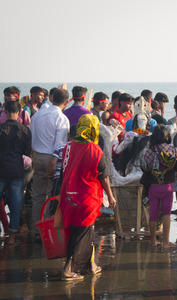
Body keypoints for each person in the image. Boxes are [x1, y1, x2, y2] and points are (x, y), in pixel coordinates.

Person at [60, 114, 116, 281]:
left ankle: (91, 266)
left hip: (68, 196)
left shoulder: (68, 147)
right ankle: (68, 270)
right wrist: (111, 197)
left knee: (80, 232)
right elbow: (103, 176)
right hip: (87, 198)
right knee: (82, 234)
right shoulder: (95, 150)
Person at [30, 88, 70, 242]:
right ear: (66, 102)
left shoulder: (38, 114)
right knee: (51, 195)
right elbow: (59, 147)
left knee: (38, 196)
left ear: (52, 98)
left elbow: (32, 137)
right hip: (51, 159)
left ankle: (36, 230)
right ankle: (46, 231)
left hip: (37, 156)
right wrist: (53, 165)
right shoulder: (61, 118)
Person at [140, 124, 177, 248]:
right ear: (168, 136)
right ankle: (166, 242)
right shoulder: (173, 150)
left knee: (153, 214)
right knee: (166, 214)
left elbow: (144, 168)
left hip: (153, 187)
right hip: (168, 186)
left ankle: (153, 241)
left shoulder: (149, 151)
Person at [0, 101, 32, 245]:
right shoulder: (25, 130)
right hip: (17, 169)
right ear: (20, 112)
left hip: (1, 168)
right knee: (16, 203)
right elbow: (27, 153)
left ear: (5, 112)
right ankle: (12, 236)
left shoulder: (1, 128)